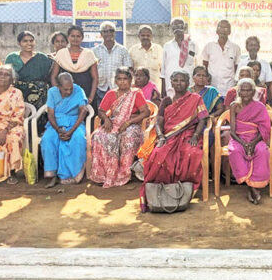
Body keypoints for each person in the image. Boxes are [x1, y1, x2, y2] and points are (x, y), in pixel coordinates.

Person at [141, 71, 209, 212]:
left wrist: (195, 136)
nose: (179, 83)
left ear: (188, 83)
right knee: (158, 153)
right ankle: (161, 190)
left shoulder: (195, 98)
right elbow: (158, 121)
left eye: (182, 80)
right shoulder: (167, 100)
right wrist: (160, 136)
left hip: (189, 134)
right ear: (171, 82)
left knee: (190, 153)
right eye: (176, 80)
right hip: (168, 136)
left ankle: (185, 190)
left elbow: (203, 119)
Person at [89, 67, 150, 188]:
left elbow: (146, 112)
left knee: (128, 137)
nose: (122, 82)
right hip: (114, 122)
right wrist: (106, 119)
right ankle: (103, 174)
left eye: (125, 79)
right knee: (99, 136)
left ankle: (124, 174)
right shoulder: (111, 94)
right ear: (115, 81)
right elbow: (101, 111)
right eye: (119, 79)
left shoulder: (135, 94)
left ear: (130, 80)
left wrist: (129, 122)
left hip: (132, 124)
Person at [41, 73, 88, 188]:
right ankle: (52, 176)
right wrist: (58, 130)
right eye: (66, 89)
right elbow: (50, 114)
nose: (69, 91)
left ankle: (74, 175)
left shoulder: (78, 90)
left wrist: (71, 131)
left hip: (75, 123)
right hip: (56, 123)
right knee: (47, 139)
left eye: (71, 88)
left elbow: (83, 111)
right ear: (58, 86)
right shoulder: (52, 92)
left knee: (78, 138)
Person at [228, 78, 271, 204]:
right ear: (238, 92)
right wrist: (243, 144)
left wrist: (252, 143)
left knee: (262, 151)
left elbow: (264, 128)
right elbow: (232, 131)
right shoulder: (234, 106)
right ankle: (251, 187)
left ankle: (254, 185)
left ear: (253, 92)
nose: (245, 93)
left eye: (248, 90)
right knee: (235, 151)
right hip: (238, 138)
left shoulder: (260, 106)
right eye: (243, 90)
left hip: (256, 138)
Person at [5, 31, 53, 110]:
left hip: (38, 95)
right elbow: (7, 77)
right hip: (17, 94)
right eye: (25, 41)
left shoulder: (42, 58)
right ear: (19, 43)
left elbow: (49, 77)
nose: (29, 43)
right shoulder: (12, 58)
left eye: (31, 41)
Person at [51, 25, 99, 105]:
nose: (75, 39)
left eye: (78, 36)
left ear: (82, 38)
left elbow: (95, 78)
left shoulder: (89, 54)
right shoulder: (61, 54)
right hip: (65, 95)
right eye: (72, 36)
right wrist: (58, 94)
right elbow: (53, 76)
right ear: (68, 37)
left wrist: (91, 97)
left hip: (85, 94)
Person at [92, 21, 132, 110]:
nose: (108, 33)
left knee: (118, 112)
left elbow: (129, 71)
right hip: (101, 88)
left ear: (115, 33)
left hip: (119, 88)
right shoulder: (95, 51)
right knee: (102, 112)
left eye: (111, 31)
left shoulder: (123, 50)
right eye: (105, 31)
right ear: (101, 34)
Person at [202, 20, 240, 94]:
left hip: (229, 87)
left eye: (225, 28)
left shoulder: (235, 48)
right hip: (212, 87)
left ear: (229, 32)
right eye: (220, 27)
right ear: (216, 31)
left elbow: (236, 67)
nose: (222, 30)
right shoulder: (209, 46)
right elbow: (205, 65)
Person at [162, 18, 197, 98]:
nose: (177, 28)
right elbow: (163, 70)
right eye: (175, 26)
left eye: (180, 25)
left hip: (188, 85)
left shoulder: (192, 44)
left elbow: (196, 65)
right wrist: (163, 91)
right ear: (171, 28)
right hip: (171, 86)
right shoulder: (167, 46)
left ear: (184, 27)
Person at [129, 25, 163, 90]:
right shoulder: (133, 50)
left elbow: (163, 70)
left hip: (155, 88)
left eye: (148, 35)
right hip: (138, 89)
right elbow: (130, 70)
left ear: (152, 36)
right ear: (138, 36)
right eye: (143, 35)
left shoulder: (159, 49)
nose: (145, 37)